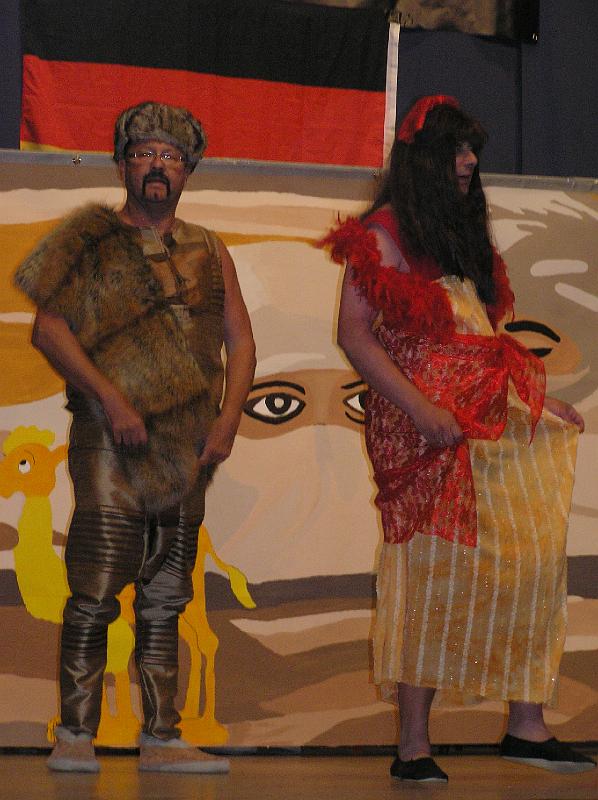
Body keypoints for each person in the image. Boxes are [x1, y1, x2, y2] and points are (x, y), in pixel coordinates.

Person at [320, 95, 596, 782]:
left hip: (487, 424)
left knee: (531, 559)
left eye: (472, 151)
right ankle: (413, 746)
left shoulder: (462, 233)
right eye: (456, 151)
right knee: (429, 576)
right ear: (423, 161)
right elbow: (355, 335)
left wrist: (539, 402)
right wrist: (418, 408)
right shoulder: (383, 233)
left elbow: (482, 343)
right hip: (428, 438)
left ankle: (526, 725)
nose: (470, 162)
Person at [14, 101, 256, 773]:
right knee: (95, 586)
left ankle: (162, 737)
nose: (157, 165)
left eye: (170, 156)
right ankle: (74, 733)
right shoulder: (89, 241)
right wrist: (112, 398)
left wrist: (229, 417)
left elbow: (240, 340)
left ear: (187, 171)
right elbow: (50, 330)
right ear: (122, 165)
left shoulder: (210, 248)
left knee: (167, 595)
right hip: (109, 438)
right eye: (144, 152)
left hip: (187, 445)